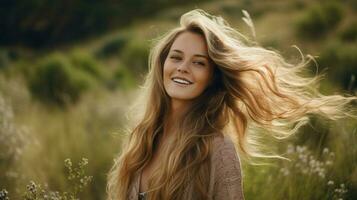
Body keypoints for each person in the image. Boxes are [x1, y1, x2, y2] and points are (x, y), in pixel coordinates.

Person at [106, 9, 356, 200]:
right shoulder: (143, 137)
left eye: (199, 62)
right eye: (176, 57)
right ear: (162, 64)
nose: (183, 67)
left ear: (212, 78)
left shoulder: (217, 149)